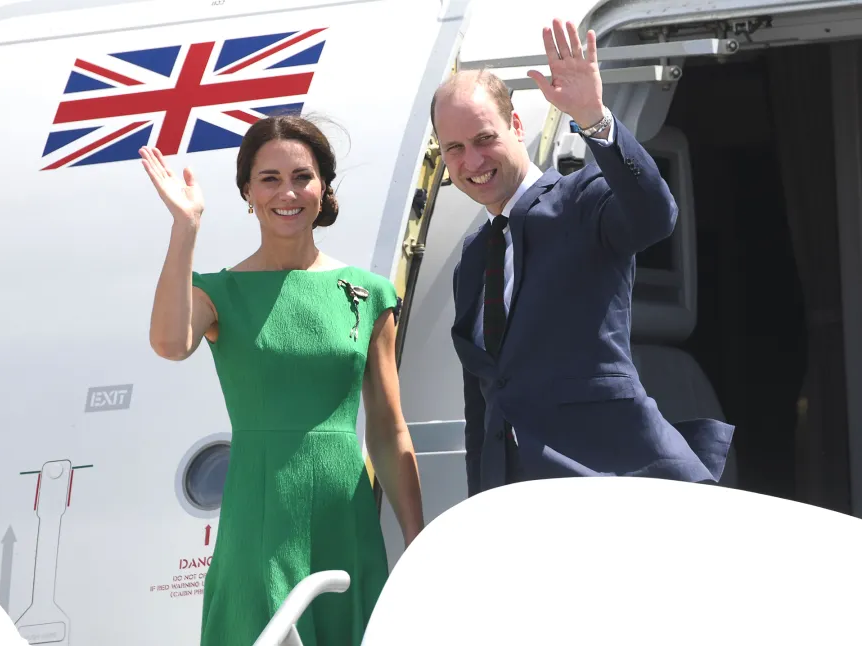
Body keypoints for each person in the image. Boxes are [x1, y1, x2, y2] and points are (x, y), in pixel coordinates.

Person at [139, 114, 424, 645]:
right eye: (269, 178)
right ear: (248, 191)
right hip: (259, 513)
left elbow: (388, 429)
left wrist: (415, 538)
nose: (287, 192)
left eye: (301, 177)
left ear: (323, 187)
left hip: (346, 516)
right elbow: (169, 344)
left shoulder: (368, 291)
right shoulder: (217, 291)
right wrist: (185, 230)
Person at [431, 18, 735, 496]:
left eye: (484, 138)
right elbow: (485, 404)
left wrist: (594, 118)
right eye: (454, 148)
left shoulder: (582, 197)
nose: (472, 161)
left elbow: (655, 215)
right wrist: (484, 503)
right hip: (523, 497)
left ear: (515, 125)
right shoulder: (473, 258)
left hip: (611, 481)